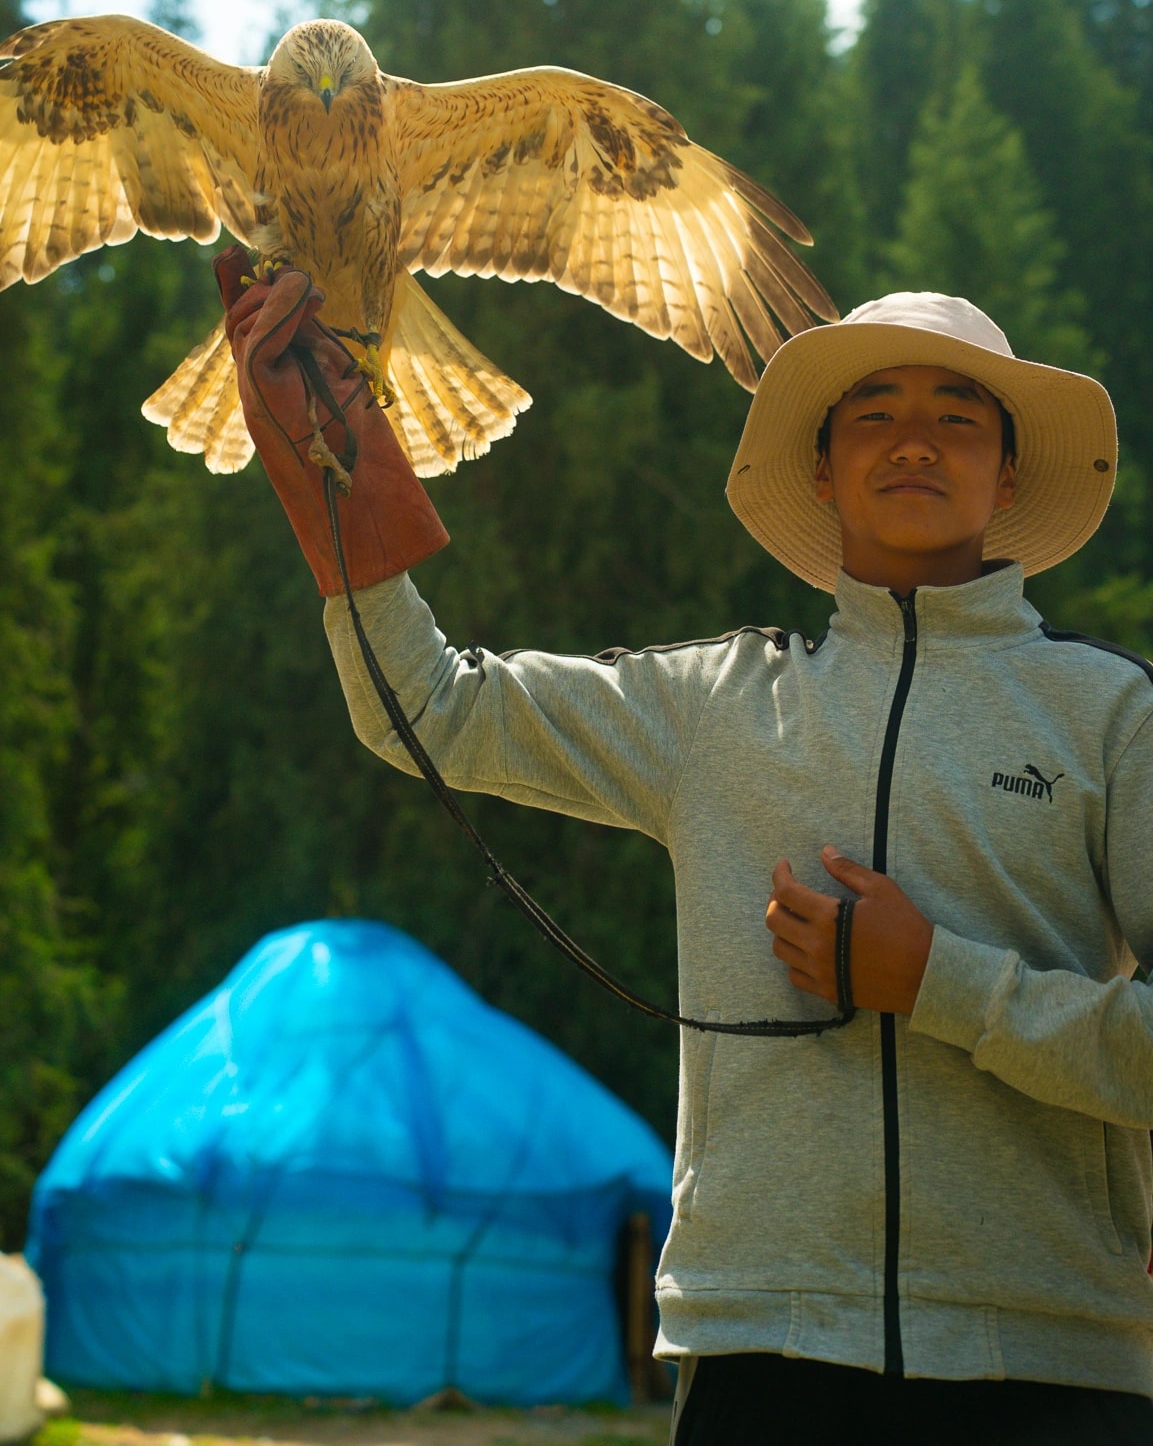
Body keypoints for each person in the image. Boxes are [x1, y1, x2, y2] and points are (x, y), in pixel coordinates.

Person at [216, 250, 1153, 1446]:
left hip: (1053, 1363)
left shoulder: (1110, 716)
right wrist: (332, 468)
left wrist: (938, 983)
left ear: (1008, 464)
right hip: (762, 1349)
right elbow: (433, 707)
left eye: (957, 414)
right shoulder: (712, 704)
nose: (913, 440)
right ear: (822, 465)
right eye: (874, 413)